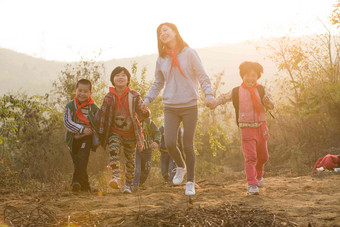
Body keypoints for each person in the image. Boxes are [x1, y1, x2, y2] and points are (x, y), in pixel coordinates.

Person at [141, 22, 215, 196]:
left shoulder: (189, 53)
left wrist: (209, 95)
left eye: (165, 30)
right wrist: (147, 99)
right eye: (159, 32)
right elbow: (158, 83)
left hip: (190, 104)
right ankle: (180, 166)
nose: (162, 33)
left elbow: (203, 76)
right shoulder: (161, 59)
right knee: (170, 143)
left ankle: (190, 182)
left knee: (188, 144)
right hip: (170, 106)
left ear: (175, 32)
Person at [210, 61, 274, 195]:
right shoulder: (236, 91)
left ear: (257, 76)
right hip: (246, 129)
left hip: (261, 127)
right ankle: (252, 184)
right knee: (250, 157)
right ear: (242, 76)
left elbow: (271, 104)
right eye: (247, 75)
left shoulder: (262, 89)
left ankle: (259, 175)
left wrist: (269, 102)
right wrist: (214, 103)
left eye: (253, 75)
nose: (250, 78)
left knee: (264, 157)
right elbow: (223, 97)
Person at [96, 66, 150, 194]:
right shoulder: (109, 96)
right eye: (117, 75)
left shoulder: (134, 95)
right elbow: (102, 115)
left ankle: (128, 186)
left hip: (131, 133)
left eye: (123, 75)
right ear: (112, 80)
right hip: (115, 132)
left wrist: (145, 111)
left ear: (128, 80)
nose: (120, 77)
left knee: (130, 160)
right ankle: (116, 178)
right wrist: (100, 134)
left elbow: (142, 110)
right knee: (113, 149)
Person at [64, 79, 99, 192]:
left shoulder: (93, 108)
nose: (82, 94)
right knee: (78, 162)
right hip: (73, 138)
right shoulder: (70, 106)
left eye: (85, 91)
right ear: (75, 90)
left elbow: (99, 122)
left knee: (82, 159)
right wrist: (81, 129)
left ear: (90, 93)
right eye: (80, 90)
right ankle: (86, 187)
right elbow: (67, 122)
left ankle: (75, 182)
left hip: (87, 138)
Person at [133, 117, 161, 189]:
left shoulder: (149, 123)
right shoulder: (133, 121)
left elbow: (157, 132)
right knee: (137, 169)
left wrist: (156, 141)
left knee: (146, 169)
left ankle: (140, 183)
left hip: (148, 150)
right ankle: (134, 185)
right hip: (136, 150)